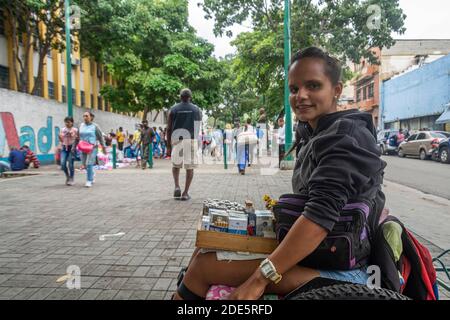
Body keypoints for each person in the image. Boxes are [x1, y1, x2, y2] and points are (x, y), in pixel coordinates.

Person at [174, 46, 386, 300]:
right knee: (206, 248)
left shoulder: (345, 137)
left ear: (337, 90)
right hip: (320, 252)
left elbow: (319, 219)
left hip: (343, 269)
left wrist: (258, 279)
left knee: (203, 267)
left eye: (314, 86)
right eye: (294, 89)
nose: (301, 96)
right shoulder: (315, 132)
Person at [167, 88, 202, 201]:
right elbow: (197, 127)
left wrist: (168, 145)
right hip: (190, 140)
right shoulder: (196, 110)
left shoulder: (173, 109)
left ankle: (177, 186)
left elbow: (168, 128)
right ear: (190, 97)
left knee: (176, 165)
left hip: (177, 140)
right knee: (189, 167)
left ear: (180, 97)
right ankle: (185, 193)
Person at [77, 112, 106, 188]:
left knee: (89, 163)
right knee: (85, 164)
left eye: (86, 116)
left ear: (91, 117)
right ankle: (92, 173)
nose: (85, 117)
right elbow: (77, 136)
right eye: (84, 116)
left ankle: (89, 180)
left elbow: (100, 137)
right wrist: (74, 146)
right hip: (83, 147)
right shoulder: (81, 126)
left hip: (93, 147)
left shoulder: (95, 126)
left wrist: (103, 147)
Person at [59, 116, 78, 185]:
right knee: (62, 163)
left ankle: (72, 178)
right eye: (66, 122)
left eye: (68, 122)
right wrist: (60, 137)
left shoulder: (75, 130)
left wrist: (74, 146)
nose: (67, 123)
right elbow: (61, 140)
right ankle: (67, 176)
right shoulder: (62, 129)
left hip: (72, 148)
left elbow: (77, 139)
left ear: (72, 123)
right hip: (64, 147)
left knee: (70, 164)